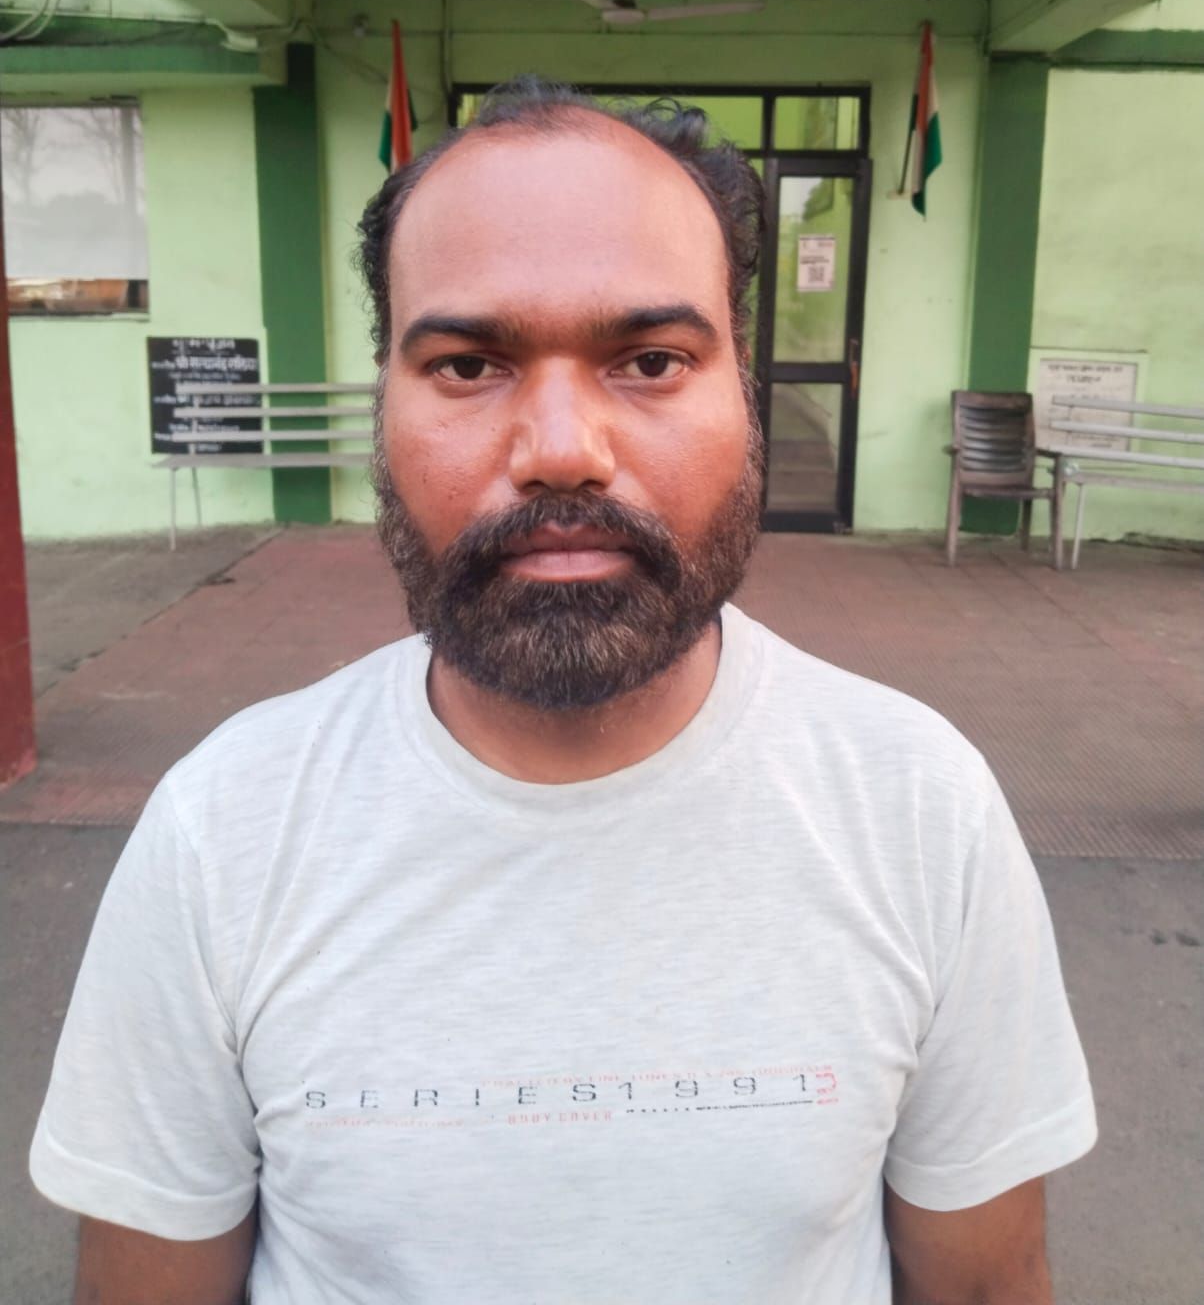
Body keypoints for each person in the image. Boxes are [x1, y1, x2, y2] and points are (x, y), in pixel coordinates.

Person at [31, 77, 1096, 1304]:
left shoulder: (919, 807)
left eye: (650, 360)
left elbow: (983, 1282)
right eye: (468, 363)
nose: (561, 450)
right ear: (384, 402)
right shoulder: (222, 828)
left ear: (743, 392)